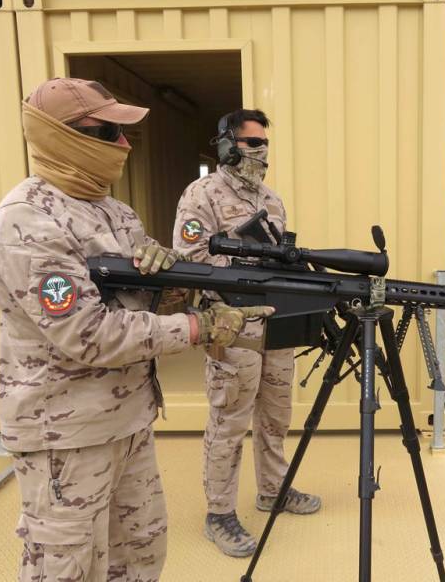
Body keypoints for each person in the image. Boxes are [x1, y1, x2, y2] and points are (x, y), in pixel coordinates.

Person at [0, 78, 273, 581]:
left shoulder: (115, 213)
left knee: (139, 555)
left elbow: (147, 303)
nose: (125, 145)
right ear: (65, 136)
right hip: (66, 435)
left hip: (128, 419)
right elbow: (90, 334)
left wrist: (175, 284)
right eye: (111, 132)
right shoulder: (26, 222)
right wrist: (201, 326)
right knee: (66, 567)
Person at [173, 109, 321, 559]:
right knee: (230, 421)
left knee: (276, 416)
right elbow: (189, 257)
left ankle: (273, 491)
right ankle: (219, 514)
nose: (260, 152)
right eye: (251, 143)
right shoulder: (202, 195)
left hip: (276, 322)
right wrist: (247, 270)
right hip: (231, 326)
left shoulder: (271, 200)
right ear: (225, 144)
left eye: (264, 144)